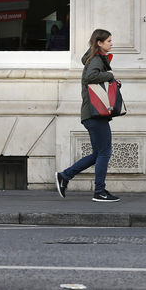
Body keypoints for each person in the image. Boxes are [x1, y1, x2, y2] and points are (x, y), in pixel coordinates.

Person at [55, 29, 121, 203]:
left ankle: (64, 176)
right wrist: (110, 75)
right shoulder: (97, 59)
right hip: (94, 113)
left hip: (92, 114)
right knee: (105, 152)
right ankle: (99, 191)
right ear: (99, 43)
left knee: (97, 153)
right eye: (109, 41)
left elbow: (94, 79)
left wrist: (112, 81)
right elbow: (90, 77)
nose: (111, 44)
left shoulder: (95, 58)